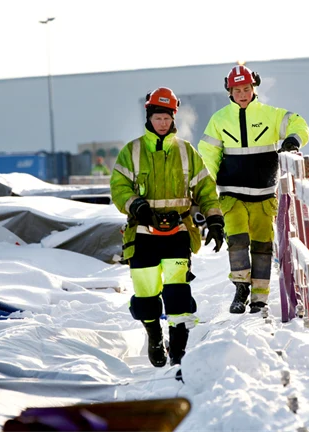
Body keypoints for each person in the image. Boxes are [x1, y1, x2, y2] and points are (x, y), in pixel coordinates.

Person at [111, 87, 225, 369]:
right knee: (146, 296)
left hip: (178, 233)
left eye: (167, 117)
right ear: (149, 117)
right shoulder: (132, 151)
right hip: (141, 235)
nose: (162, 122)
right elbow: (118, 188)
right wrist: (136, 205)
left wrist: (215, 219)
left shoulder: (187, 152)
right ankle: (153, 336)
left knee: (177, 294)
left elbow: (206, 190)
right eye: (157, 117)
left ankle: (178, 350)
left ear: (174, 117)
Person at [198, 65, 309, 314]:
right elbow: (208, 156)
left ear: (254, 88)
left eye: (247, 88)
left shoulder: (271, 115)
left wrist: (292, 140)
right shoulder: (219, 119)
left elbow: (299, 123)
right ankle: (240, 289)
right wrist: (207, 192)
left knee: (262, 246)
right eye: (237, 90)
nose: (242, 94)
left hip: (263, 195)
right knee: (237, 241)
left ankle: (259, 297)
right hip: (231, 194)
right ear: (230, 91)